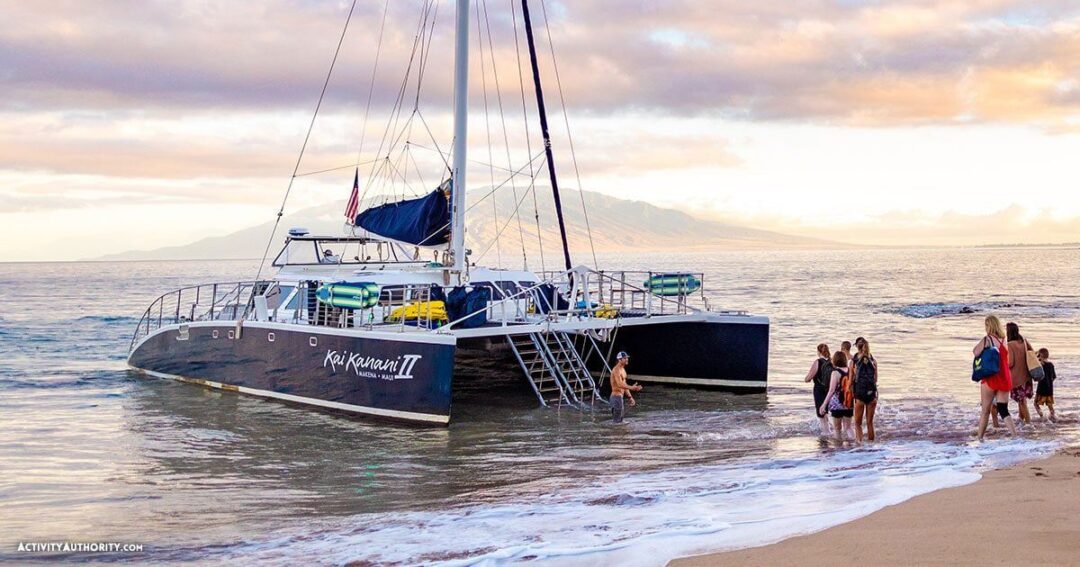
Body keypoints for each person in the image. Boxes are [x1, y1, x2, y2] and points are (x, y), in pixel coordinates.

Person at [975, 315, 1017, 441]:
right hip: (1004, 377)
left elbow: (976, 352)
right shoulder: (1004, 340)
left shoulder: (987, 339)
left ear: (988, 326)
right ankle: (1015, 436)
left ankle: (980, 438)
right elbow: (1007, 360)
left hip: (990, 377)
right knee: (1003, 409)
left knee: (985, 411)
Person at [820, 350, 853, 443]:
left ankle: (838, 450)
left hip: (837, 404)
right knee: (849, 427)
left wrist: (824, 404)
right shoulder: (850, 371)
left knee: (837, 429)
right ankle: (853, 446)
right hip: (849, 402)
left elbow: (831, 390)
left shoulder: (835, 372)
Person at [1006, 322, 1034, 425]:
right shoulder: (1024, 341)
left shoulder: (1010, 345)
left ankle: (1029, 424)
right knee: (1022, 401)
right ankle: (1021, 421)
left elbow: (1010, 363)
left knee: (1022, 402)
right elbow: (1033, 353)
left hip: (1016, 378)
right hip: (1027, 376)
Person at [851, 339, 879, 443]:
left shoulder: (853, 361)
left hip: (860, 394)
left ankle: (860, 445)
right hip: (872, 394)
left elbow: (850, 380)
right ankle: (871, 445)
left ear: (857, 347)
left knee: (858, 423)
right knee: (870, 422)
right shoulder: (873, 361)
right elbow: (875, 379)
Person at [803, 343, 833, 435]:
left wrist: (806, 378)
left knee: (821, 414)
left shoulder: (818, 362)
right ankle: (831, 431)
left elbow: (808, 379)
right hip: (830, 390)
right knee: (827, 412)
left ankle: (826, 433)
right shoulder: (832, 362)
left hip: (819, 390)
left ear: (819, 352)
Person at [610, 351, 641, 424]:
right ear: (619, 360)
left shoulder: (623, 370)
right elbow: (619, 384)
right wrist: (632, 388)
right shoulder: (616, 370)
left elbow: (624, 385)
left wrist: (630, 397)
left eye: (627, 358)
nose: (627, 359)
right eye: (625, 358)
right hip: (616, 397)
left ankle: (619, 434)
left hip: (619, 398)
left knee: (620, 421)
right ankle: (616, 435)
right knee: (617, 422)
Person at [1034, 348, 1057, 422]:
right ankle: (1053, 417)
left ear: (1040, 355)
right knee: (1050, 405)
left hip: (1041, 388)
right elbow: (1054, 377)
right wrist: (1049, 383)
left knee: (1035, 404)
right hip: (1050, 389)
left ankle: (1042, 417)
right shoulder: (1051, 365)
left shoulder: (1040, 365)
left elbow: (1037, 376)